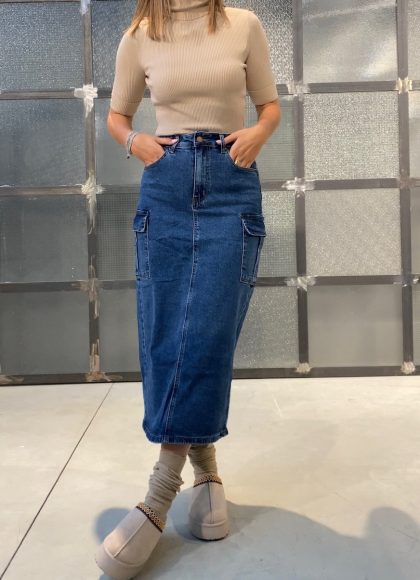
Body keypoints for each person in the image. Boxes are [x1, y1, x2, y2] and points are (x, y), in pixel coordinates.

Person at [95, 0, 281, 577]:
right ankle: (206, 468)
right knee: (166, 331)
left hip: (231, 183)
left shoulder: (243, 24)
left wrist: (258, 133)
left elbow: (270, 106)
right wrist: (137, 143)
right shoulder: (139, 33)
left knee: (209, 331)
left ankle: (160, 490)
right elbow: (117, 116)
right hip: (167, 184)